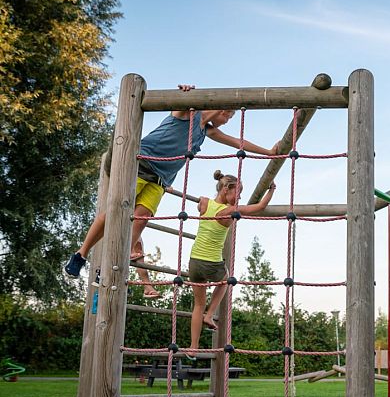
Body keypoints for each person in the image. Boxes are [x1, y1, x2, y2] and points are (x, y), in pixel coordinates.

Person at [64, 84, 278, 289]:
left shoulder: (207, 132)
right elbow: (178, 106)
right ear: (220, 109)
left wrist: (268, 152)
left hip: (161, 179)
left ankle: (113, 267)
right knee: (114, 211)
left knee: (140, 219)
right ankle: (81, 254)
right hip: (141, 164)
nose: (227, 121)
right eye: (227, 116)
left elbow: (238, 142)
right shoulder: (188, 114)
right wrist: (186, 93)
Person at [187, 171, 276, 358]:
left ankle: (193, 347)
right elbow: (259, 207)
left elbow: (202, 203)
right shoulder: (228, 211)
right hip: (211, 263)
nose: (240, 197)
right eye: (239, 192)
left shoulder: (204, 203)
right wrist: (272, 190)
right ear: (227, 189)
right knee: (226, 280)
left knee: (197, 305)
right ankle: (210, 314)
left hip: (194, 261)